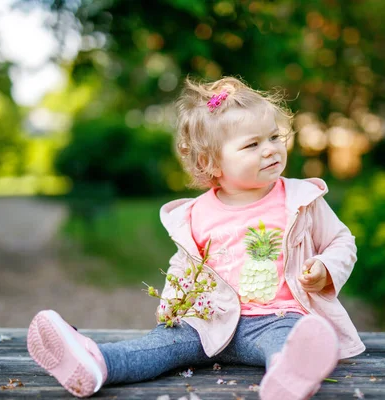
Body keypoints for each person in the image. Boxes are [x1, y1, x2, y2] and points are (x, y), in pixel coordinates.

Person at [27, 76, 365, 400]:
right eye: (252, 144)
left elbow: (341, 241)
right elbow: (183, 265)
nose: (270, 150)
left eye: (275, 137)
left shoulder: (301, 199)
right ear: (211, 162)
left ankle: (288, 375)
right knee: (158, 346)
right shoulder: (196, 214)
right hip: (207, 322)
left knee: (290, 342)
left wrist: (324, 266)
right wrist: (173, 306)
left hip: (277, 318)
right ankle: (96, 362)